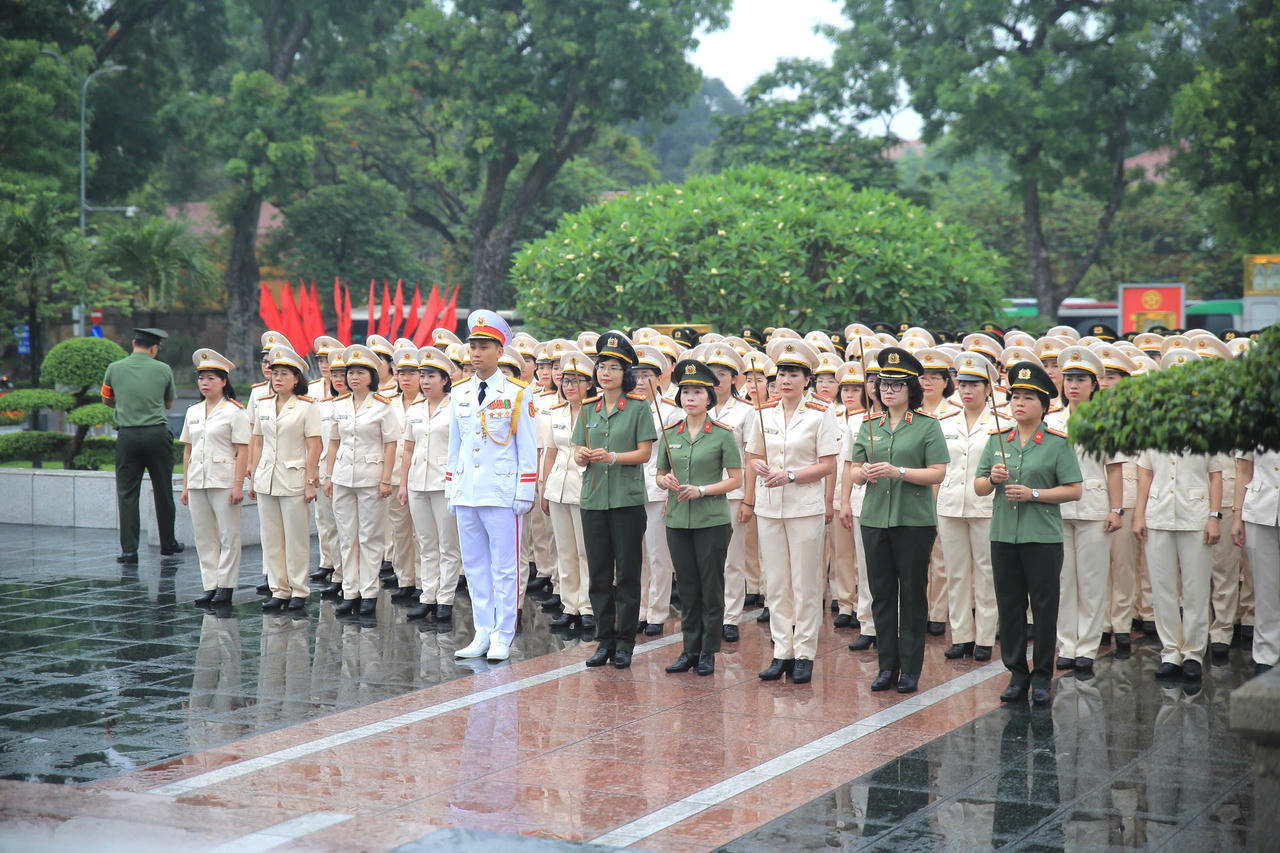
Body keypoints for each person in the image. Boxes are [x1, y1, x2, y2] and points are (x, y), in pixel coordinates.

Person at [975, 361, 1082, 707]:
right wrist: (992, 478)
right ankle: (1017, 671)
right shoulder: (997, 440)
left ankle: (1041, 676)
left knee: (1044, 606)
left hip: (1042, 537)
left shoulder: (1056, 443)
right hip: (1004, 535)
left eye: (1028, 398)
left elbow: (1074, 489)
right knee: (1009, 605)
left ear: (1044, 404)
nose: (1019, 403)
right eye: (1015, 396)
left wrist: (1035, 494)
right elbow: (978, 487)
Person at [848, 347, 949, 694]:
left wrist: (899, 471)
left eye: (897, 385)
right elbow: (852, 469)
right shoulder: (868, 425)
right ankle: (886, 666)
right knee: (882, 594)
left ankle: (910, 668)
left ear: (911, 389)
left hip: (913, 520)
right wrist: (861, 472)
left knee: (912, 593)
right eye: (883, 384)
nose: (888, 390)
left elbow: (938, 472)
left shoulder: (926, 426)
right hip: (876, 517)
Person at [742, 338, 838, 685]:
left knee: (805, 583)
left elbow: (827, 465)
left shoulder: (821, 414)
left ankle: (804, 653)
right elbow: (752, 455)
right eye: (781, 373)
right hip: (770, 508)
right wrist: (761, 469)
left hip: (803, 508)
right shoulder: (762, 412)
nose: (785, 380)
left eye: (794, 374)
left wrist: (791, 475)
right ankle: (781, 651)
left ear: (807, 379)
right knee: (777, 583)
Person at [448, 310, 539, 663]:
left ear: (499, 351)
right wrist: (452, 488)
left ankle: (503, 633)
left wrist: (524, 491)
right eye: (472, 346)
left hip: (501, 492)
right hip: (468, 490)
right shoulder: (460, 392)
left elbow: (526, 446)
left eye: (484, 347)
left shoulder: (517, 392)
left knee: (505, 567)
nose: (476, 353)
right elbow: (455, 446)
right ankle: (482, 631)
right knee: (474, 566)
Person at [1133, 348, 1224, 682]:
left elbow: (1216, 473)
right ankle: (1170, 651)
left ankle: (1194, 653)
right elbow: (1144, 471)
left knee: (1197, 587)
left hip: (1196, 513)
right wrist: (1138, 514)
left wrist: (1215, 515)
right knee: (1163, 588)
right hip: (1158, 513)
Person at [572, 331, 657, 669]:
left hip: (626, 500)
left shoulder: (637, 408)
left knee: (628, 574)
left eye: (613, 368)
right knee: (598, 573)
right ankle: (604, 640)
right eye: (601, 367)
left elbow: (645, 453)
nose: (605, 373)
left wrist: (612, 457)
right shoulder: (589, 407)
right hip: (593, 498)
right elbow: (579, 447)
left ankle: (624, 642)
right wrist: (582, 456)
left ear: (627, 373)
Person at [658, 359, 744, 676]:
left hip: (712, 520)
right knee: (688, 586)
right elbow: (660, 473)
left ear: (710, 396)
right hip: (678, 519)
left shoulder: (722, 434)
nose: (690, 398)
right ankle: (688, 649)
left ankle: (708, 650)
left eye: (697, 392)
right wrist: (664, 481)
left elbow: (736, 480)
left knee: (711, 585)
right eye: (685, 392)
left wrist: (703, 490)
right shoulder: (670, 433)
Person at [1047, 346, 1123, 673]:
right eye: (1069, 379)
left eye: (1081, 379)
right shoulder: (1050, 419)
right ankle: (1067, 643)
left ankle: (1088, 647)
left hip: (1094, 507)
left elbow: (1115, 468)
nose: (1073, 385)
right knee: (1062, 581)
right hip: (1057, 509)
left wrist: (1116, 509)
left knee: (1091, 582)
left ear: (1094, 384)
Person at [323, 345, 399, 617]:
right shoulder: (339, 405)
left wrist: (386, 480)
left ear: (371, 376)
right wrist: (329, 476)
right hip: (343, 476)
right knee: (347, 536)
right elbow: (333, 442)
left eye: (360, 372)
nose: (353, 377)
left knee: (370, 537)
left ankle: (368, 592)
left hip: (371, 478)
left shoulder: (383, 407)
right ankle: (350, 590)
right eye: (350, 372)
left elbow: (391, 445)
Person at [934, 351, 1000, 661]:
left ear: (988, 388)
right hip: (950, 505)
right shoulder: (945, 420)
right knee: (956, 573)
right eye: (962, 384)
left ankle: (985, 636)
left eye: (974, 385)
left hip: (986, 506)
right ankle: (961, 635)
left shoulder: (1002, 422)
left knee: (986, 573)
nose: (967, 390)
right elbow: (938, 465)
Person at [248, 346, 322, 612]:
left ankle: (299, 589)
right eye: (274, 373)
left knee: (296, 538)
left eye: (284, 374)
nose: (277, 378)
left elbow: (315, 446)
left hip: (294, 478)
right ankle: (279, 589)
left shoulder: (307, 407)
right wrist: (253, 472)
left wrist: (310, 481)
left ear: (296, 378)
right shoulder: (263, 404)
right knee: (271, 538)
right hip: (267, 477)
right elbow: (256, 440)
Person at [101, 327, 182, 563]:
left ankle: (129, 550)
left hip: (127, 437)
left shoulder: (114, 368)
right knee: (163, 490)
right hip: (156, 435)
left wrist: (124, 403)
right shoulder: (163, 369)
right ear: (154, 348)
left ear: (133, 343)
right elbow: (168, 403)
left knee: (127, 493)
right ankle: (168, 544)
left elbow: (106, 397)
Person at [179, 349, 249, 607]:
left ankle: (226, 586)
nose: (205, 383)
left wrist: (238, 484)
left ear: (223, 381)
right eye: (201, 378)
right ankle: (210, 584)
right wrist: (185, 485)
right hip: (198, 480)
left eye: (211, 378)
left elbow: (243, 450)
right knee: (204, 536)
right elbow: (187, 450)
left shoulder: (235, 411)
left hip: (223, 480)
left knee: (228, 535)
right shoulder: (193, 411)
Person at [399, 347, 462, 624]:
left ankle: (445, 599)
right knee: (426, 543)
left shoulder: (457, 407)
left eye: (431, 376)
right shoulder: (415, 409)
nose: (425, 382)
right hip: (417, 483)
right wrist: (403, 484)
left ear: (445, 380)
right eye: (422, 376)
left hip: (444, 483)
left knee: (448, 544)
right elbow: (408, 449)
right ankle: (428, 596)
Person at [541, 350, 595, 632]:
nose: (569, 386)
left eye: (577, 380)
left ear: (589, 383)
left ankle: (587, 606)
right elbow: (550, 452)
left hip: (585, 486)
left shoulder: (596, 412)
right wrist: (544, 488)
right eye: (566, 380)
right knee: (564, 550)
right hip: (558, 486)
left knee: (585, 551)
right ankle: (569, 605)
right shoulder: (556, 412)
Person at [634, 344, 682, 636]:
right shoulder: (625, 407)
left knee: (657, 555)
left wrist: (671, 494)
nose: (640, 381)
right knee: (635, 556)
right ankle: (640, 609)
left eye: (646, 375)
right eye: (636, 375)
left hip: (657, 490)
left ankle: (657, 612)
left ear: (659, 378)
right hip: (629, 490)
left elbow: (675, 456)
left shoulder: (670, 412)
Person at [1234, 448, 1280, 677]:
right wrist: (1236, 517)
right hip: (1260, 509)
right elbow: (1243, 470)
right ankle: (1266, 655)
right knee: (1264, 589)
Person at [312, 346, 348, 598]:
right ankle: (338, 572)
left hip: (351, 472)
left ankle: (352, 577)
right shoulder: (323, 406)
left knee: (350, 528)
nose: (337, 379)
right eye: (334, 375)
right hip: (326, 471)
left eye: (342, 374)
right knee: (329, 525)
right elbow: (317, 442)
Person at [387, 347, 422, 600]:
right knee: (399, 531)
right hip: (396, 476)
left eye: (412, 373)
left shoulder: (430, 402)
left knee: (423, 534)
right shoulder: (388, 404)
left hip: (422, 476)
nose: (406, 378)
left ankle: (423, 582)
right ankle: (405, 579)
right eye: (402, 373)